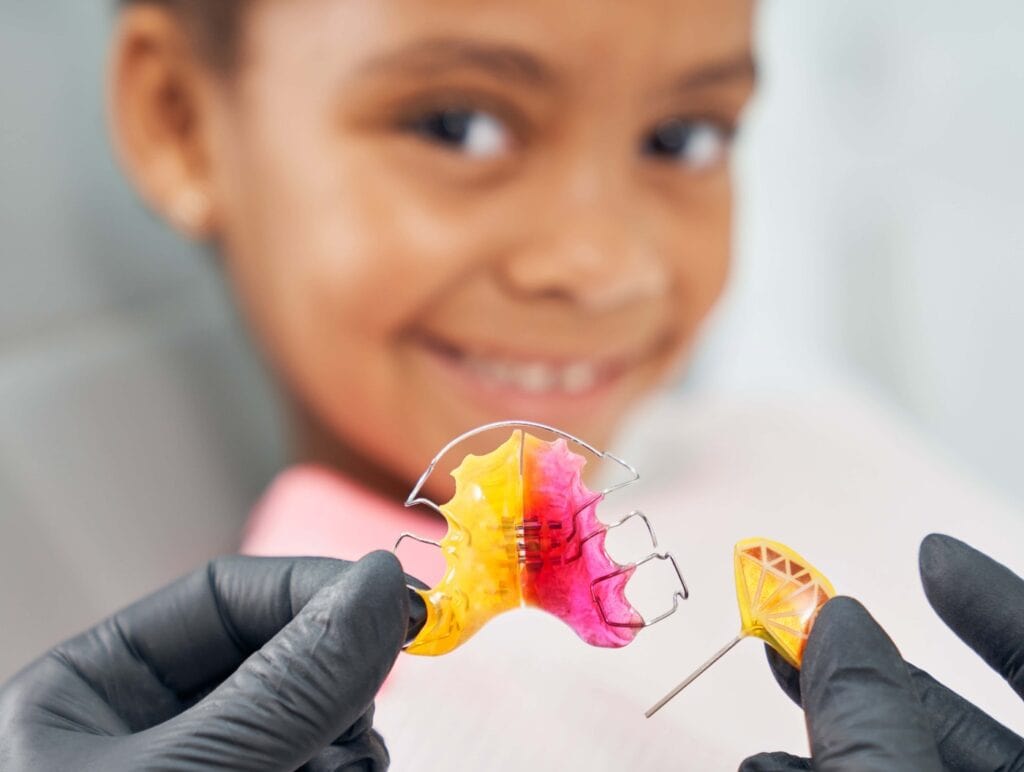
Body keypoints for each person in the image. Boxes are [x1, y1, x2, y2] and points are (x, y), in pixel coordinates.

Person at [4, 0, 1024, 768]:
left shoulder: (813, 431)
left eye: (683, 138)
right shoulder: (339, 723)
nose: (603, 262)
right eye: (458, 125)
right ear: (180, 117)